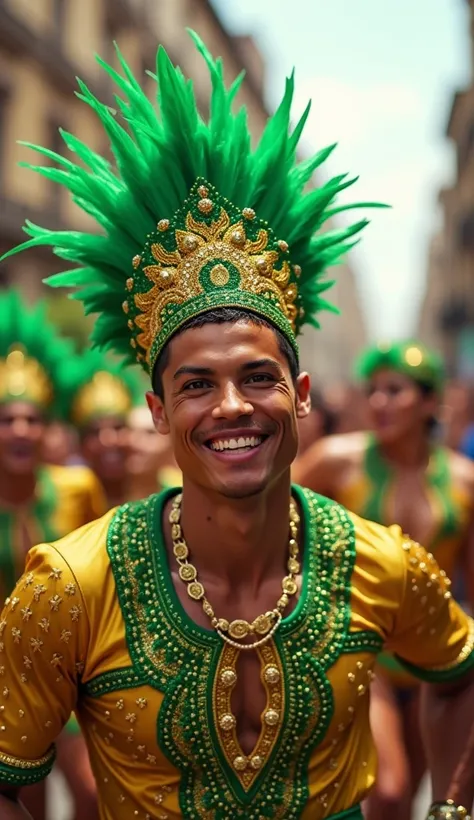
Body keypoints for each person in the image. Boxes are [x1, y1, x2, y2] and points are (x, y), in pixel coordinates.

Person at [0, 32, 474, 820]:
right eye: (196, 384)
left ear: (302, 395)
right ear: (157, 411)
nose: (231, 406)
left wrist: (455, 811)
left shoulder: (383, 562)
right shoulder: (70, 586)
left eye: (259, 377)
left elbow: (458, 677)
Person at [294, 340, 474, 819]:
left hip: (435, 661)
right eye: (373, 391)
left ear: (430, 402)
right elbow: (271, 517)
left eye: (395, 391)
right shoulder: (336, 460)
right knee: (389, 791)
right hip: (359, 652)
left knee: (412, 796)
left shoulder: (463, 480)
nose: (378, 402)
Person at [0, 291, 105, 820]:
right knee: (22, 803)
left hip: (63, 672)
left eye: (31, 419)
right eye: (6, 419)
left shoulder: (77, 487)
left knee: (91, 792)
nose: (20, 430)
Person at [64, 349, 144, 507]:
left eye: (118, 428)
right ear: (79, 444)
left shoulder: (170, 492)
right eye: (94, 432)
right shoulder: (66, 504)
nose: (108, 440)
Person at [127, 404, 181, 499]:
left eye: (149, 433)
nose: (134, 441)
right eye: (129, 430)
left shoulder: (182, 492)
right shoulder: (97, 487)